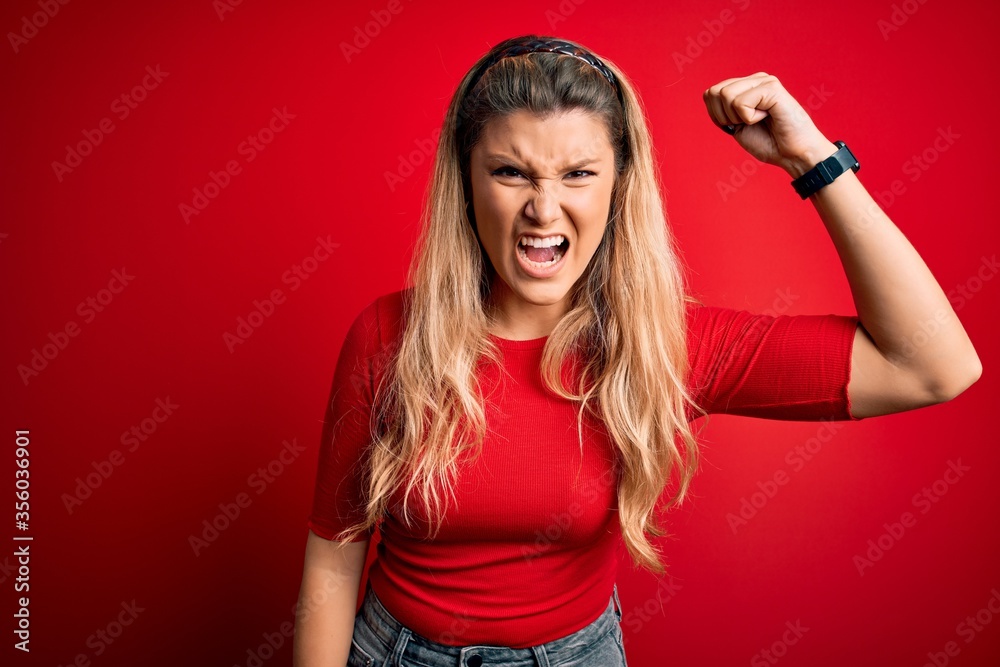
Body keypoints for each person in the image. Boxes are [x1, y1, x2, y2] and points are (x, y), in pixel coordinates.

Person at [292, 34, 981, 666]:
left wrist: (814, 159)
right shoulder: (388, 336)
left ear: (620, 185)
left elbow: (931, 365)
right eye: (510, 172)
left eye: (578, 174)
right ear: (467, 185)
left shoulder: (664, 346)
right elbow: (334, 554)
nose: (543, 207)